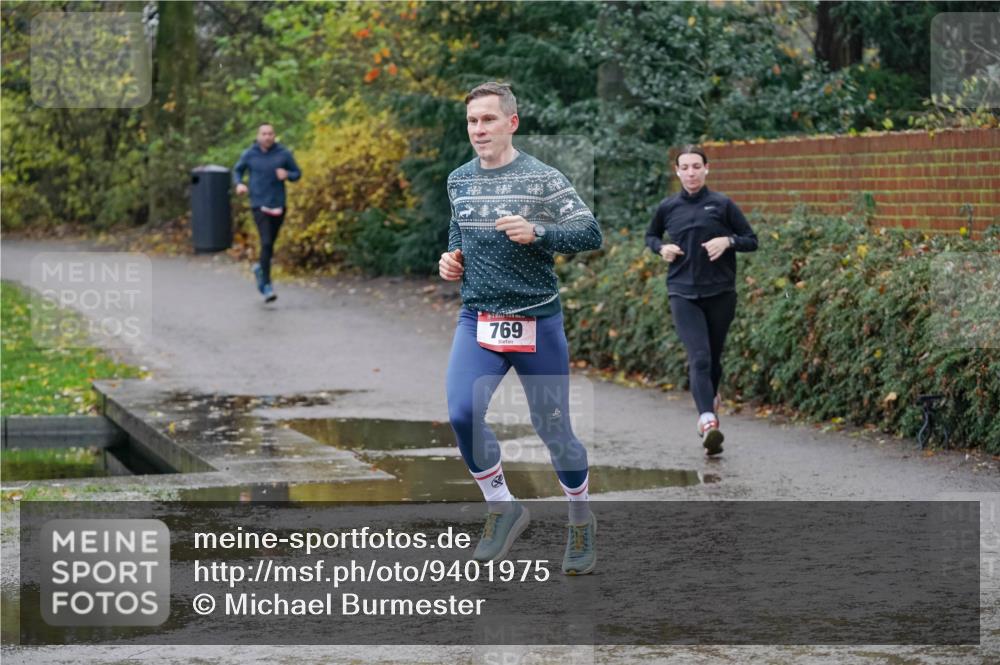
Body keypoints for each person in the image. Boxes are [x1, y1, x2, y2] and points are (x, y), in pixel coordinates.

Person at [439, 82, 603, 575]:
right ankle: (502, 506)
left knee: (554, 430)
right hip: (479, 320)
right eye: (472, 121)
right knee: (462, 410)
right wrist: (451, 261)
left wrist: (540, 233)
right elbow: (457, 235)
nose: (478, 130)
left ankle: (580, 519)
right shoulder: (459, 180)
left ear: (512, 122)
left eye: (488, 120)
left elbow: (590, 232)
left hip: (536, 320)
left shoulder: (542, 178)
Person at [645, 145, 758, 456]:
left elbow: (752, 240)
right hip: (682, 291)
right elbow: (651, 236)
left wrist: (728, 240)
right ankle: (708, 421)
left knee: (714, 359)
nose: (691, 172)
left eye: (697, 166)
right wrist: (661, 249)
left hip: (721, 292)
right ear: (677, 171)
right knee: (700, 357)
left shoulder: (722, 205)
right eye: (685, 167)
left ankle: (710, 405)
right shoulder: (668, 207)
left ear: (707, 169)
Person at [233, 123, 301, 302]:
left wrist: (287, 174)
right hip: (259, 204)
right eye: (264, 134)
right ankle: (267, 285)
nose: (267, 137)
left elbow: (297, 173)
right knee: (266, 241)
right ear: (258, 136)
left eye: (270, 134)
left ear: (274, 136)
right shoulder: (250, 154)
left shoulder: (283, 154)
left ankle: (259, 270)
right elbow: (237, 170)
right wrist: (239, 184)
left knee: (270, 246)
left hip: (278, 204)